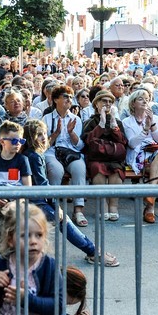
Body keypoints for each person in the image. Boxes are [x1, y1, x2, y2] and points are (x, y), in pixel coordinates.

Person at [21, 120, 119, 266]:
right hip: (35, 201)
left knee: (62, 221)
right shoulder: (34, 156)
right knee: (63, 220)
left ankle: (92, 250)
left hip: (35, 198)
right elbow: (42, 185)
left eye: (44, 133)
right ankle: (93, 252)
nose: (43, 137)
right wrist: (56, 206)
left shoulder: (32, 153)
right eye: (38, 135)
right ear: (30, 137)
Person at [43, 86, 88, 226]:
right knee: (55, 171)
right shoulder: (47, 118)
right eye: (65, 96)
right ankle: (55, 208)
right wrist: (56, 132)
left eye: (70, 96)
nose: (69, 99)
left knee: (80, 168)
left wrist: (71, 133)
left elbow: (79, 146)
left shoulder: (76, 119)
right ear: (56, 99)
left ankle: (78, 210)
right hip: (52, 151)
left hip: (70, 152)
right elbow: (43, 145)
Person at [122, 88, 158, 223]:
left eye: (147, 99)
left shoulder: (155, 118)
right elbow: (132, 143)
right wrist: (145, 130)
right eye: (141, 98)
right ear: (133, 103)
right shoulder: (127, 122)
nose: (145, 101)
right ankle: (150, 207)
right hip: (137, 156)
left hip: (154, 154)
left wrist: (152, 124)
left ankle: (150, 194)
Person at [0, 120, 32, 238]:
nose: (18, 143)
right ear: (2, 141)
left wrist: (15, 202)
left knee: (14, 227)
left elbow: (28, 189)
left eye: (21, 141)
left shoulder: (23, 160)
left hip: (16, 199)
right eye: (14, 141)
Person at [81, 90, 128, 221]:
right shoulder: (90, 121)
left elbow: (123, 141)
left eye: (110, 102)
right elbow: (87, 140)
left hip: (114, 157)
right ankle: (102, 206)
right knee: (97, 169)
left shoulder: (117, 121)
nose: (107, 104)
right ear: (96, 104)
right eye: (104, 101)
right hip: (97, 157)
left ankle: (113, 206)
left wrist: (113, 124)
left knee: (116, 171)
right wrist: (101, 125)